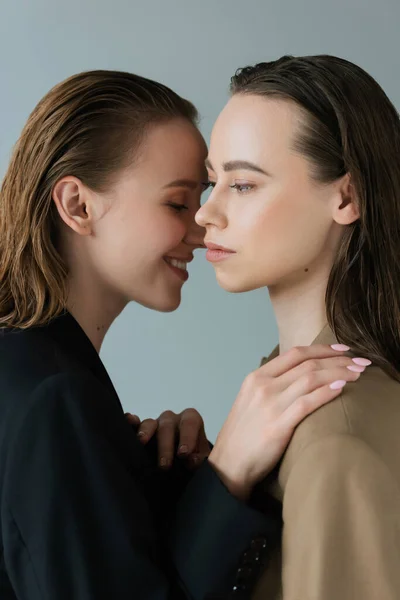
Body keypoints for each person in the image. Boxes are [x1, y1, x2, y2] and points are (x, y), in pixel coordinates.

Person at [0, 69, 364, 600]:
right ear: (78, 205)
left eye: (215, 192)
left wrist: (169, 486)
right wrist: (227, 475)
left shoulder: (34, 374)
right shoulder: (53, 400)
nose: (203, 227)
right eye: (177, 203)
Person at [196, 54, 400, 600]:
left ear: (346, 196)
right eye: (211, 182)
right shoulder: (285, 396)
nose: (204, 214)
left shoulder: (338, 442)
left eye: (242, 185)